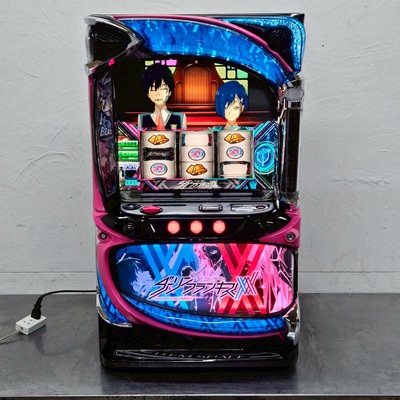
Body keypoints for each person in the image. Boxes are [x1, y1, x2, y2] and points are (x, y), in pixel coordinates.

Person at [138, 63, 187, 130]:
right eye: (153, 89)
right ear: (148, 94)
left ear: (169, 92)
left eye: (162, 88)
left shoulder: (180, 117)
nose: (158, 94)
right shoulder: (142, 118)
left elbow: (183, 136)